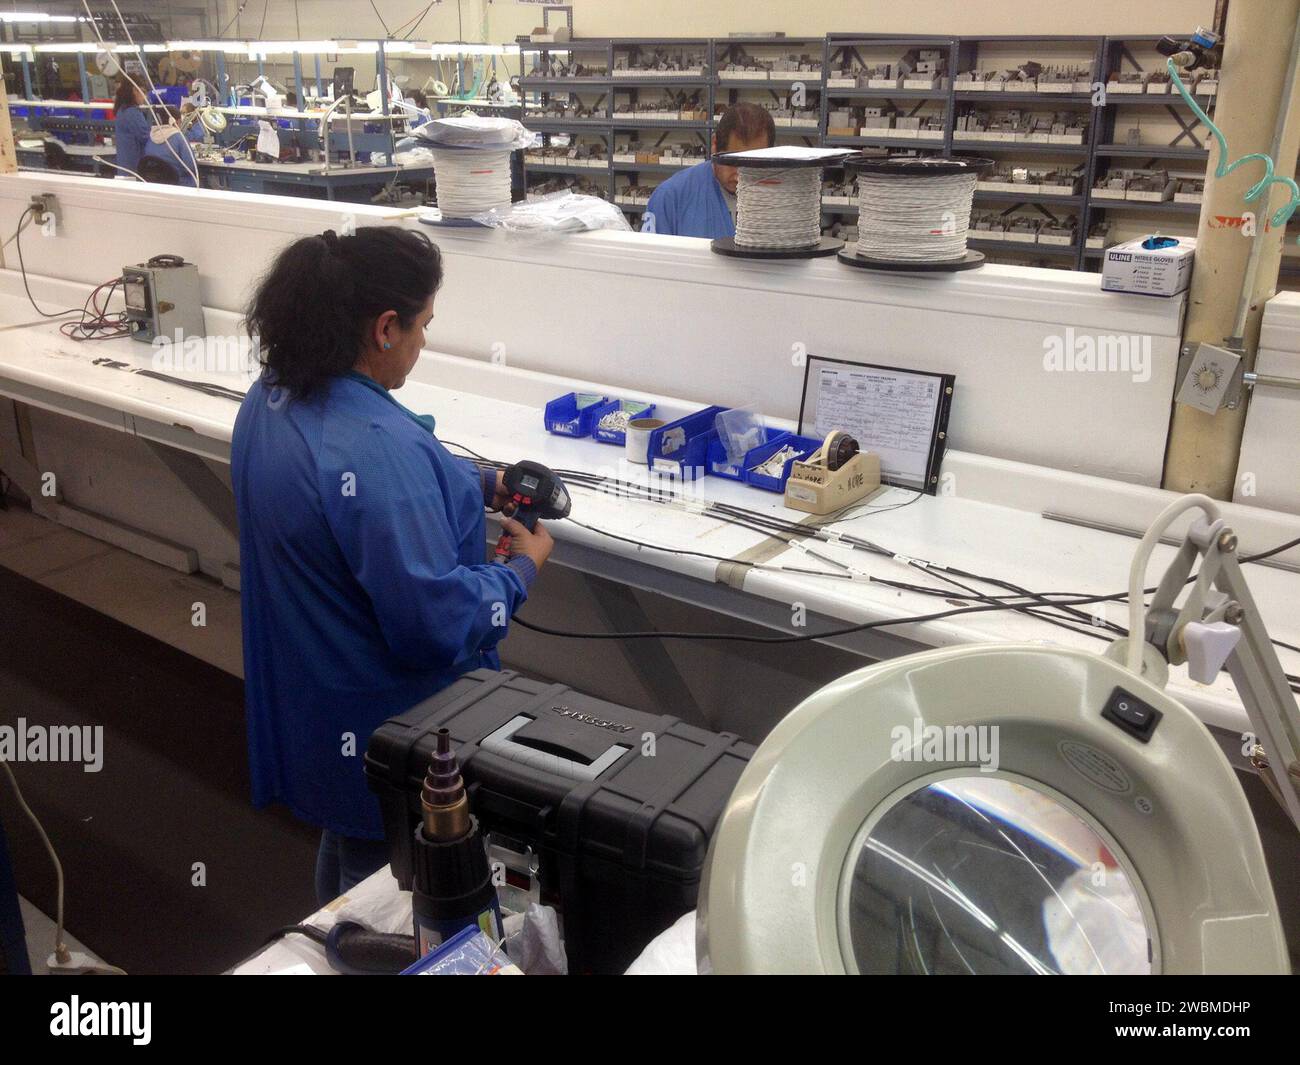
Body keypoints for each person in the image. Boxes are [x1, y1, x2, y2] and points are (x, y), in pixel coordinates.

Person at [231, 227, 552, 903]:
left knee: (347, 849)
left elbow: (354, 489)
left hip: (318, 708)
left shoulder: (271, 398)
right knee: (389, 887)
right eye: (422, 326)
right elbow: (433, 623)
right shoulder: (377, 448)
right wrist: (519, 572)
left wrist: (476, 483)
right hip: (389, 723)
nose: (423, 342)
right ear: (384, 327)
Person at [644, 102, 776, 239]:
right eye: (733, 162)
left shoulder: (785, 201)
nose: (740, 177)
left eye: (754, 165)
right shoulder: (669, 198)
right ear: (714, 144)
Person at [112, 77, 151, 179]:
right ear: (134, 90)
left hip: (124, 165)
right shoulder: (132, 113)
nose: (145, 96)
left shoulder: (123, 109)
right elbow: (145, 137)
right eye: (143, 92)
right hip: (134, 168)